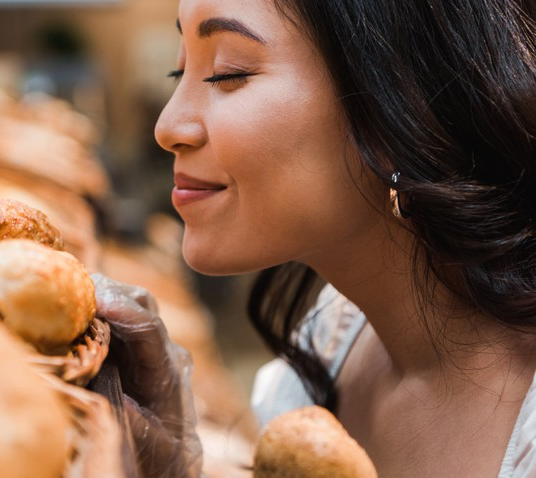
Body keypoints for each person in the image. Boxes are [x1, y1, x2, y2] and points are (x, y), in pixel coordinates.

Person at [92, 0, 536, 476]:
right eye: (176, 71)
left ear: (400, 103)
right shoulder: (329, 342)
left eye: (227, 73)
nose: (166, 127)